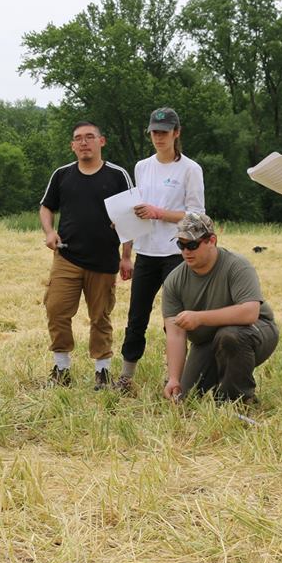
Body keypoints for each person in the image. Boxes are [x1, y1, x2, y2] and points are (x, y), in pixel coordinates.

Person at [116, 108, 205, 395]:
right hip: (146, 252)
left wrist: (158, 213)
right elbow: (134, 211)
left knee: (174, 320)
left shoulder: (190, 169)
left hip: (176, 254)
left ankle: (175, 378)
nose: (159, 137)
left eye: (164, 132)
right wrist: (126, 254)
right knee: (136, 316)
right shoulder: (142, 166)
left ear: (177, 133)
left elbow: (196, 215)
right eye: (154, 132)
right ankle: (126, 377)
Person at [40, 121, 133, 390]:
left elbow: (130, 217)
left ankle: (102, 373)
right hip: (66, 256)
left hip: (104, 260)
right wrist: (49, 232)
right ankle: (61, 368)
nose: (84, 142)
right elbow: (46, 207)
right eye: (78, 138)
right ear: (72, 145)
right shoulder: (62, 175)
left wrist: (126, 256)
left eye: (89, 137)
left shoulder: (117, 175)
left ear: (101, 141)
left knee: (100, 317)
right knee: (56, 309)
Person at [161, 213, 278, 405]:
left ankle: (238, 399)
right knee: (186, 398)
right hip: (207, 341)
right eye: (181, 245)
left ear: (211, 241)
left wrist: (199, 318)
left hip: (256, 330)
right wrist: (174, 378)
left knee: (231, 336)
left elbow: (250, 312)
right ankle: (222, 382)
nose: (186, 251)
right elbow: (175, 334)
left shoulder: (237, 265)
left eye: (192, 245)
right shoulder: (174, 281)